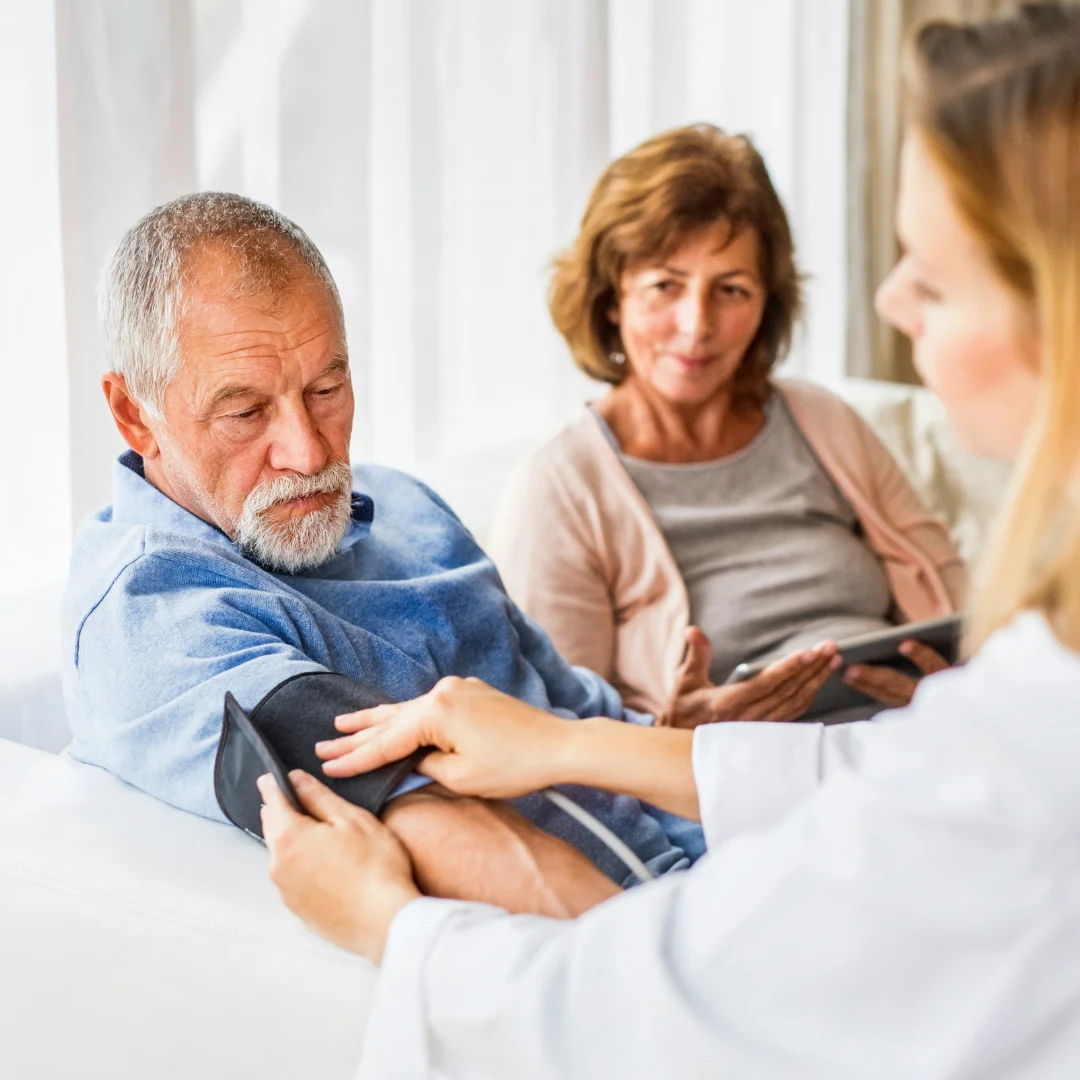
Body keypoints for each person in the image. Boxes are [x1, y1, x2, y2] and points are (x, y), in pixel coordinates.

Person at [260, 4, 1080, 1076]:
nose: (892, 301)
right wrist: (576, 741)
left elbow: (659, 1013)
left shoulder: (1015, 730)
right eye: (665, 287)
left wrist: (390, 928)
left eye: (932, 274)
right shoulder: (569, 481)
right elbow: (893, 785)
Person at [60, 192, 761, 916]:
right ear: (133, 415)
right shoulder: (154, 616)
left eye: (327, 387)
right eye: (246, 412)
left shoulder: (405, 508)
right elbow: (428, 821)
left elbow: (574, 711)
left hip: (746, 864)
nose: (308, 452)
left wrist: (690, 740)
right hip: (648, 933)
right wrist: (684, 965)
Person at [488, 123, 966, 724]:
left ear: (768, 303)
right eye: (666, 285)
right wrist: (677, 735)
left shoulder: (823, 420)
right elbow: (554, 726)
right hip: (720, 786)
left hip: (913, 739)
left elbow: (966, 609)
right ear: (612, 298)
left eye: (732, 290)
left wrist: (953, 689)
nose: (697, 325)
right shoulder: (560, 485)